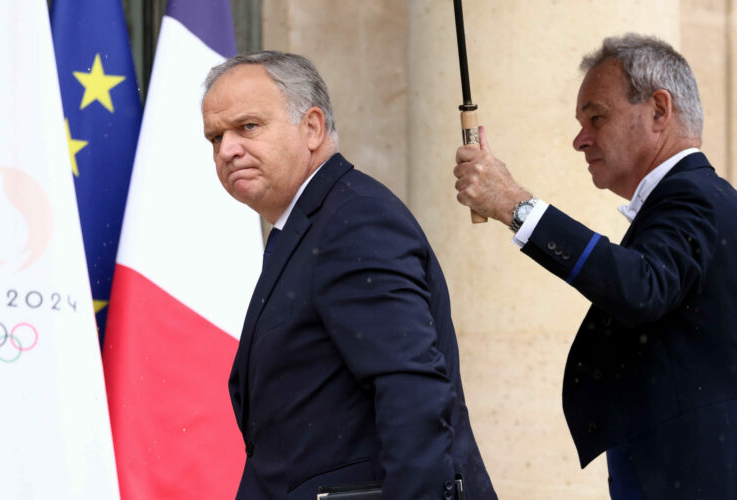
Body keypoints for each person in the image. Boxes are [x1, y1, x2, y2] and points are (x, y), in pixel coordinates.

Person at [202, 50, 497, 500]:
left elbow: (413, 394)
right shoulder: (309, 224)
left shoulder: (354, 221)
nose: (227, 150)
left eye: (248, 127)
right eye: (215, 138)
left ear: (313, 128)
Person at [454, 33, 737, 499]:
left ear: (659, 111)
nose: (579, 140)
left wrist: (515, 205)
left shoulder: (695, 197)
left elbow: (642, 287)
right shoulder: (696, 199)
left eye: (597, 117)